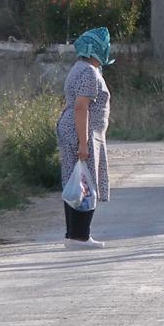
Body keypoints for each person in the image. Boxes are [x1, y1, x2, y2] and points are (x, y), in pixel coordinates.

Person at [56, 27, 116, 249]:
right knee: (85, 184)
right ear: (97, 49)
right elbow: (81, 107)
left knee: (76, 183)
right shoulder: (89, 72)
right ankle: (80, 237)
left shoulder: (79, 68)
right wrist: (84, 142)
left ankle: (74, 235)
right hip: (83, 132)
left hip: (77, 131)